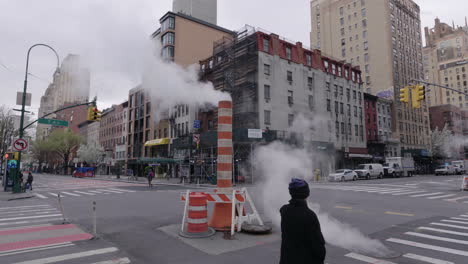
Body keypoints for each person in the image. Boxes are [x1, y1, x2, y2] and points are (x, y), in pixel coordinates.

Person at [279, 178, 326, 264]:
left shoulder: (284, 210)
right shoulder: (310, 216)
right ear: (307, 194)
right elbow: (318, 247)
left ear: (291, 193)